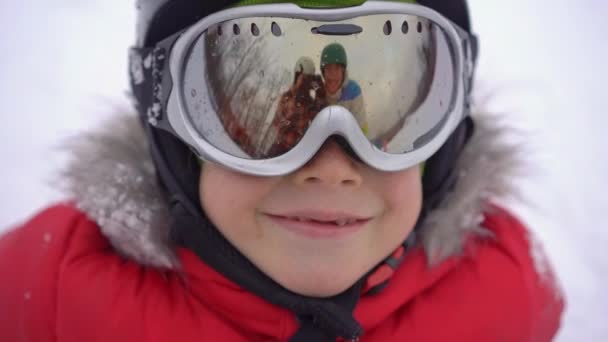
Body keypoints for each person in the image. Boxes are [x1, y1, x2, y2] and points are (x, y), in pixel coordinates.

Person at [0, 1, 564, 341]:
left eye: (401, 121)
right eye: (250, 116)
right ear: (173, 138)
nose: (332, 169)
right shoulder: (53, 284)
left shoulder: (504, 289)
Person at [320, 42, 370, 135]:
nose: (333, 74)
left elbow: (361, 128)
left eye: (337, 68)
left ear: (343, 71)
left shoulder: (353, 91)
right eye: (329, 69)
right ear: (323, 72)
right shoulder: (319, 94)